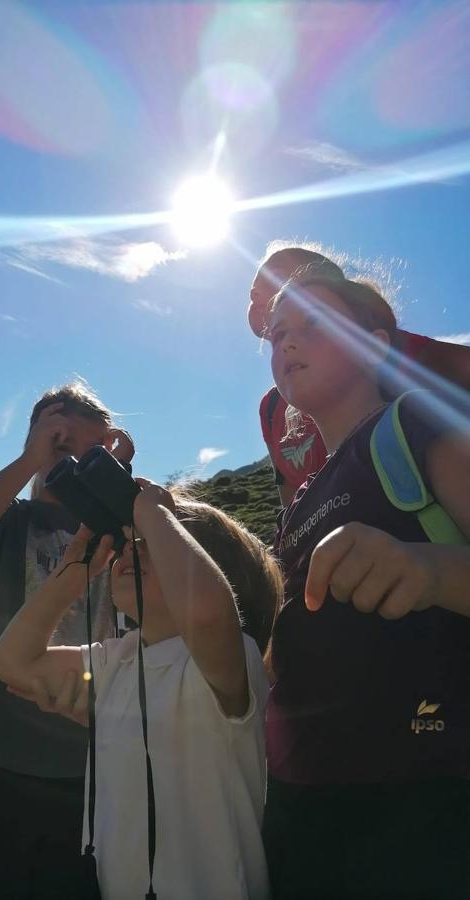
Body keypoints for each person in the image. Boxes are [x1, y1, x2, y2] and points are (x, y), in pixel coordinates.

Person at [262, 270, 470, 900]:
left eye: (314, 326)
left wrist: (430, 571)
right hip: (307, 809)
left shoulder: (416, 428)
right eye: (277, 334)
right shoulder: (296, 505)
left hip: (423, 801)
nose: (287, 343)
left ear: (377, 345)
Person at [0, 480, 283, 900]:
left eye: (151, 543)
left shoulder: (232, 663)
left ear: (217, 574)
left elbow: (204, 612)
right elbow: (13, 664)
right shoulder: (117, 661)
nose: (131, 549)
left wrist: (154, 511)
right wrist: (72, 576)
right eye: (133, 540)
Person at [0, 381, 132, 900]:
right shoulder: (12, 521)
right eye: (49, 439)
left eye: (73, 443)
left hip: (88, 769)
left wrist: (118, 481)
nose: (57, 451)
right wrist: (28, 461)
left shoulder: (123, 529)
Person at [248, 242, 470, 506]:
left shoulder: (389, 352)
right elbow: (291, 501)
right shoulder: (272, 407)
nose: (255, 295)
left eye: (278, 278)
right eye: (280, 334)